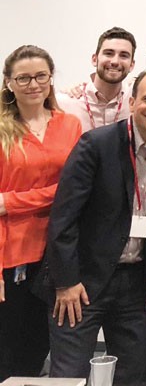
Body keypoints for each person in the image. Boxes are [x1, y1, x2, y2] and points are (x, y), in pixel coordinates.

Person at [45, 69, 146, 384]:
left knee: (131, 374)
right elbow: (64, 217)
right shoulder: (96, 144)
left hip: (138, 284)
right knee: (68, 376)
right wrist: (66, 281)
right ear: (133, 101)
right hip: (83, 281)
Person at [0, 46, 81, 380]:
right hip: (9, 254)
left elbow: (73, 190)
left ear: (50, 79)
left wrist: (9, 202)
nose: (33, 84)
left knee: (40, 346)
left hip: (55, 251)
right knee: (6, 348)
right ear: (8, 82)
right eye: (23, 77)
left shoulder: (70, 125)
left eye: (40, 76)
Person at [57, 26, 135, 132]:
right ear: (94, 59)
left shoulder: (137, 103)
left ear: (131, 65)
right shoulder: (65, 103)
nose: (115, 61)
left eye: (124, 55)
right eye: (109, 53)